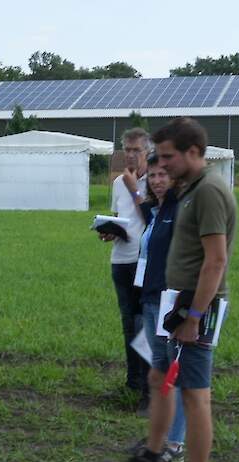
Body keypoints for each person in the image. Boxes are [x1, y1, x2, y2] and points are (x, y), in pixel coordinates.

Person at [102, 117, 237, 462]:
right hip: (171, 302)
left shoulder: (210, 191)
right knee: (159, 378)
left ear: (193, 152)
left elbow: (215, 261)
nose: (159, 164)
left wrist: (195, 316)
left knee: (196, 396)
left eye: (167, 157)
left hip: (194, 307)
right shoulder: (189, 189)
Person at [126, 154, 186, 462]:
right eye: (152, 175)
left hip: (168, 301)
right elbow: (142, 210)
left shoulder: (178, 210)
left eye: (163, 174)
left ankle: (174, 444)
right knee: (158, 371)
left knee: (170, 374)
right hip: (150, 298)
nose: (157, 180)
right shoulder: (158, 211)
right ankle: (158, 438)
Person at [100, 127, 152, 415]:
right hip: (120, 260)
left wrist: (135, 190)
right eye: (127, 150)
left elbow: (150, 219)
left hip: (144, 263)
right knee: (127, 324)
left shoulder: (155, 180)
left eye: (136, 150)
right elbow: (123, 219)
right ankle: (132, 381)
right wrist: (110, 231)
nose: (130, 155)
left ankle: (148, 388)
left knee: (144, 324)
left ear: (147, 152)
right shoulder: (119, 182)